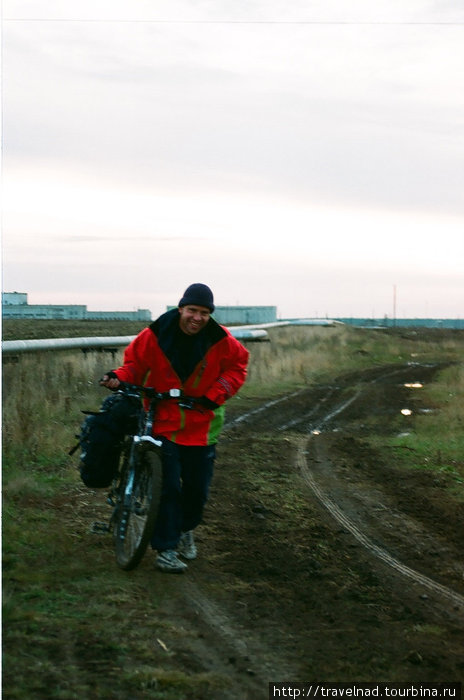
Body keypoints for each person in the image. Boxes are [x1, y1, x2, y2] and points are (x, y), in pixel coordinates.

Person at [100, 283, 249, 573]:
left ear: (210, 315)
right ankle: (165, 549)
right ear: (180, 308)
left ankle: (184, 529)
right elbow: (133, 366)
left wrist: (213, 395)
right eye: (192, 310)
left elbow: (237, 368)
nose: (197, 317)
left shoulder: (222, 340)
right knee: (167, 488)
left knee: (196, 493)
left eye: (204, 313)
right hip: (161, 423)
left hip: (202, 427)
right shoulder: (154, 335)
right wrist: (117, 376)